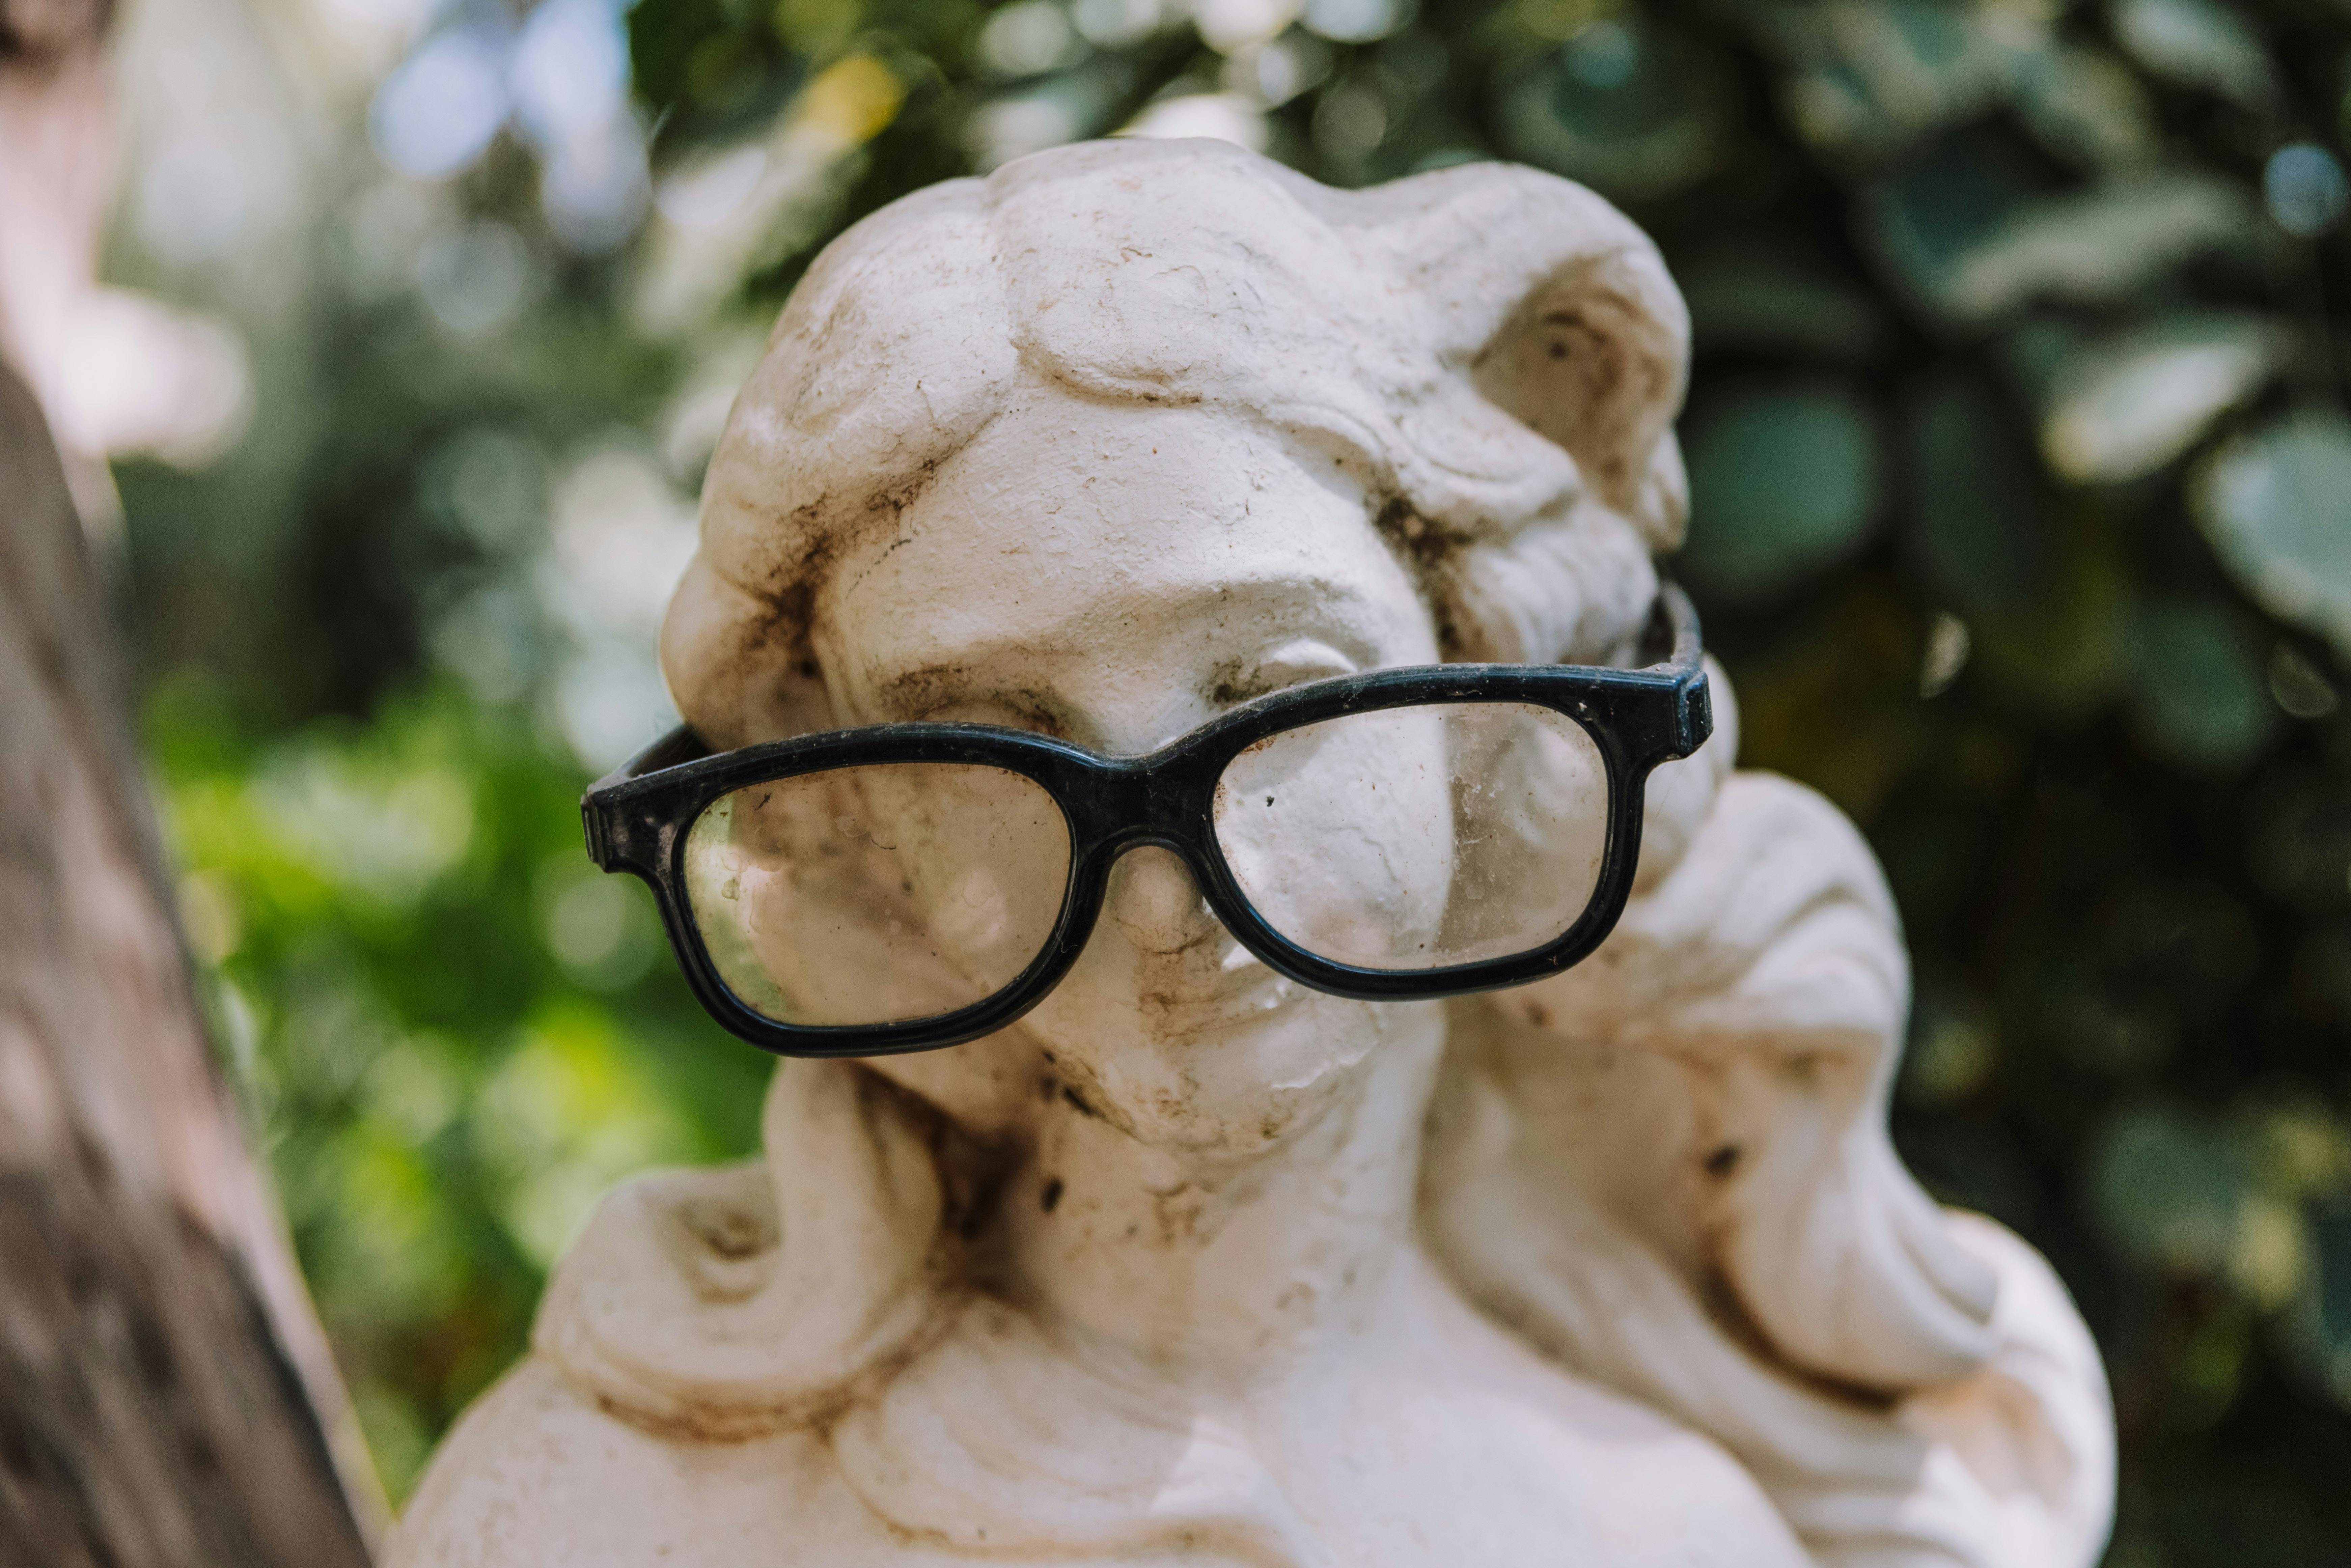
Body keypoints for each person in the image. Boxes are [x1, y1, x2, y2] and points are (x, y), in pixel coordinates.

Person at [390, 137, 2112, 1568]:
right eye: (994, 738)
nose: (1167, 887)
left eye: (1274, 687)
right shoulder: (608, 1513)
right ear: (853, 810)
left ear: (1474, 704)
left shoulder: (1672, 1530)